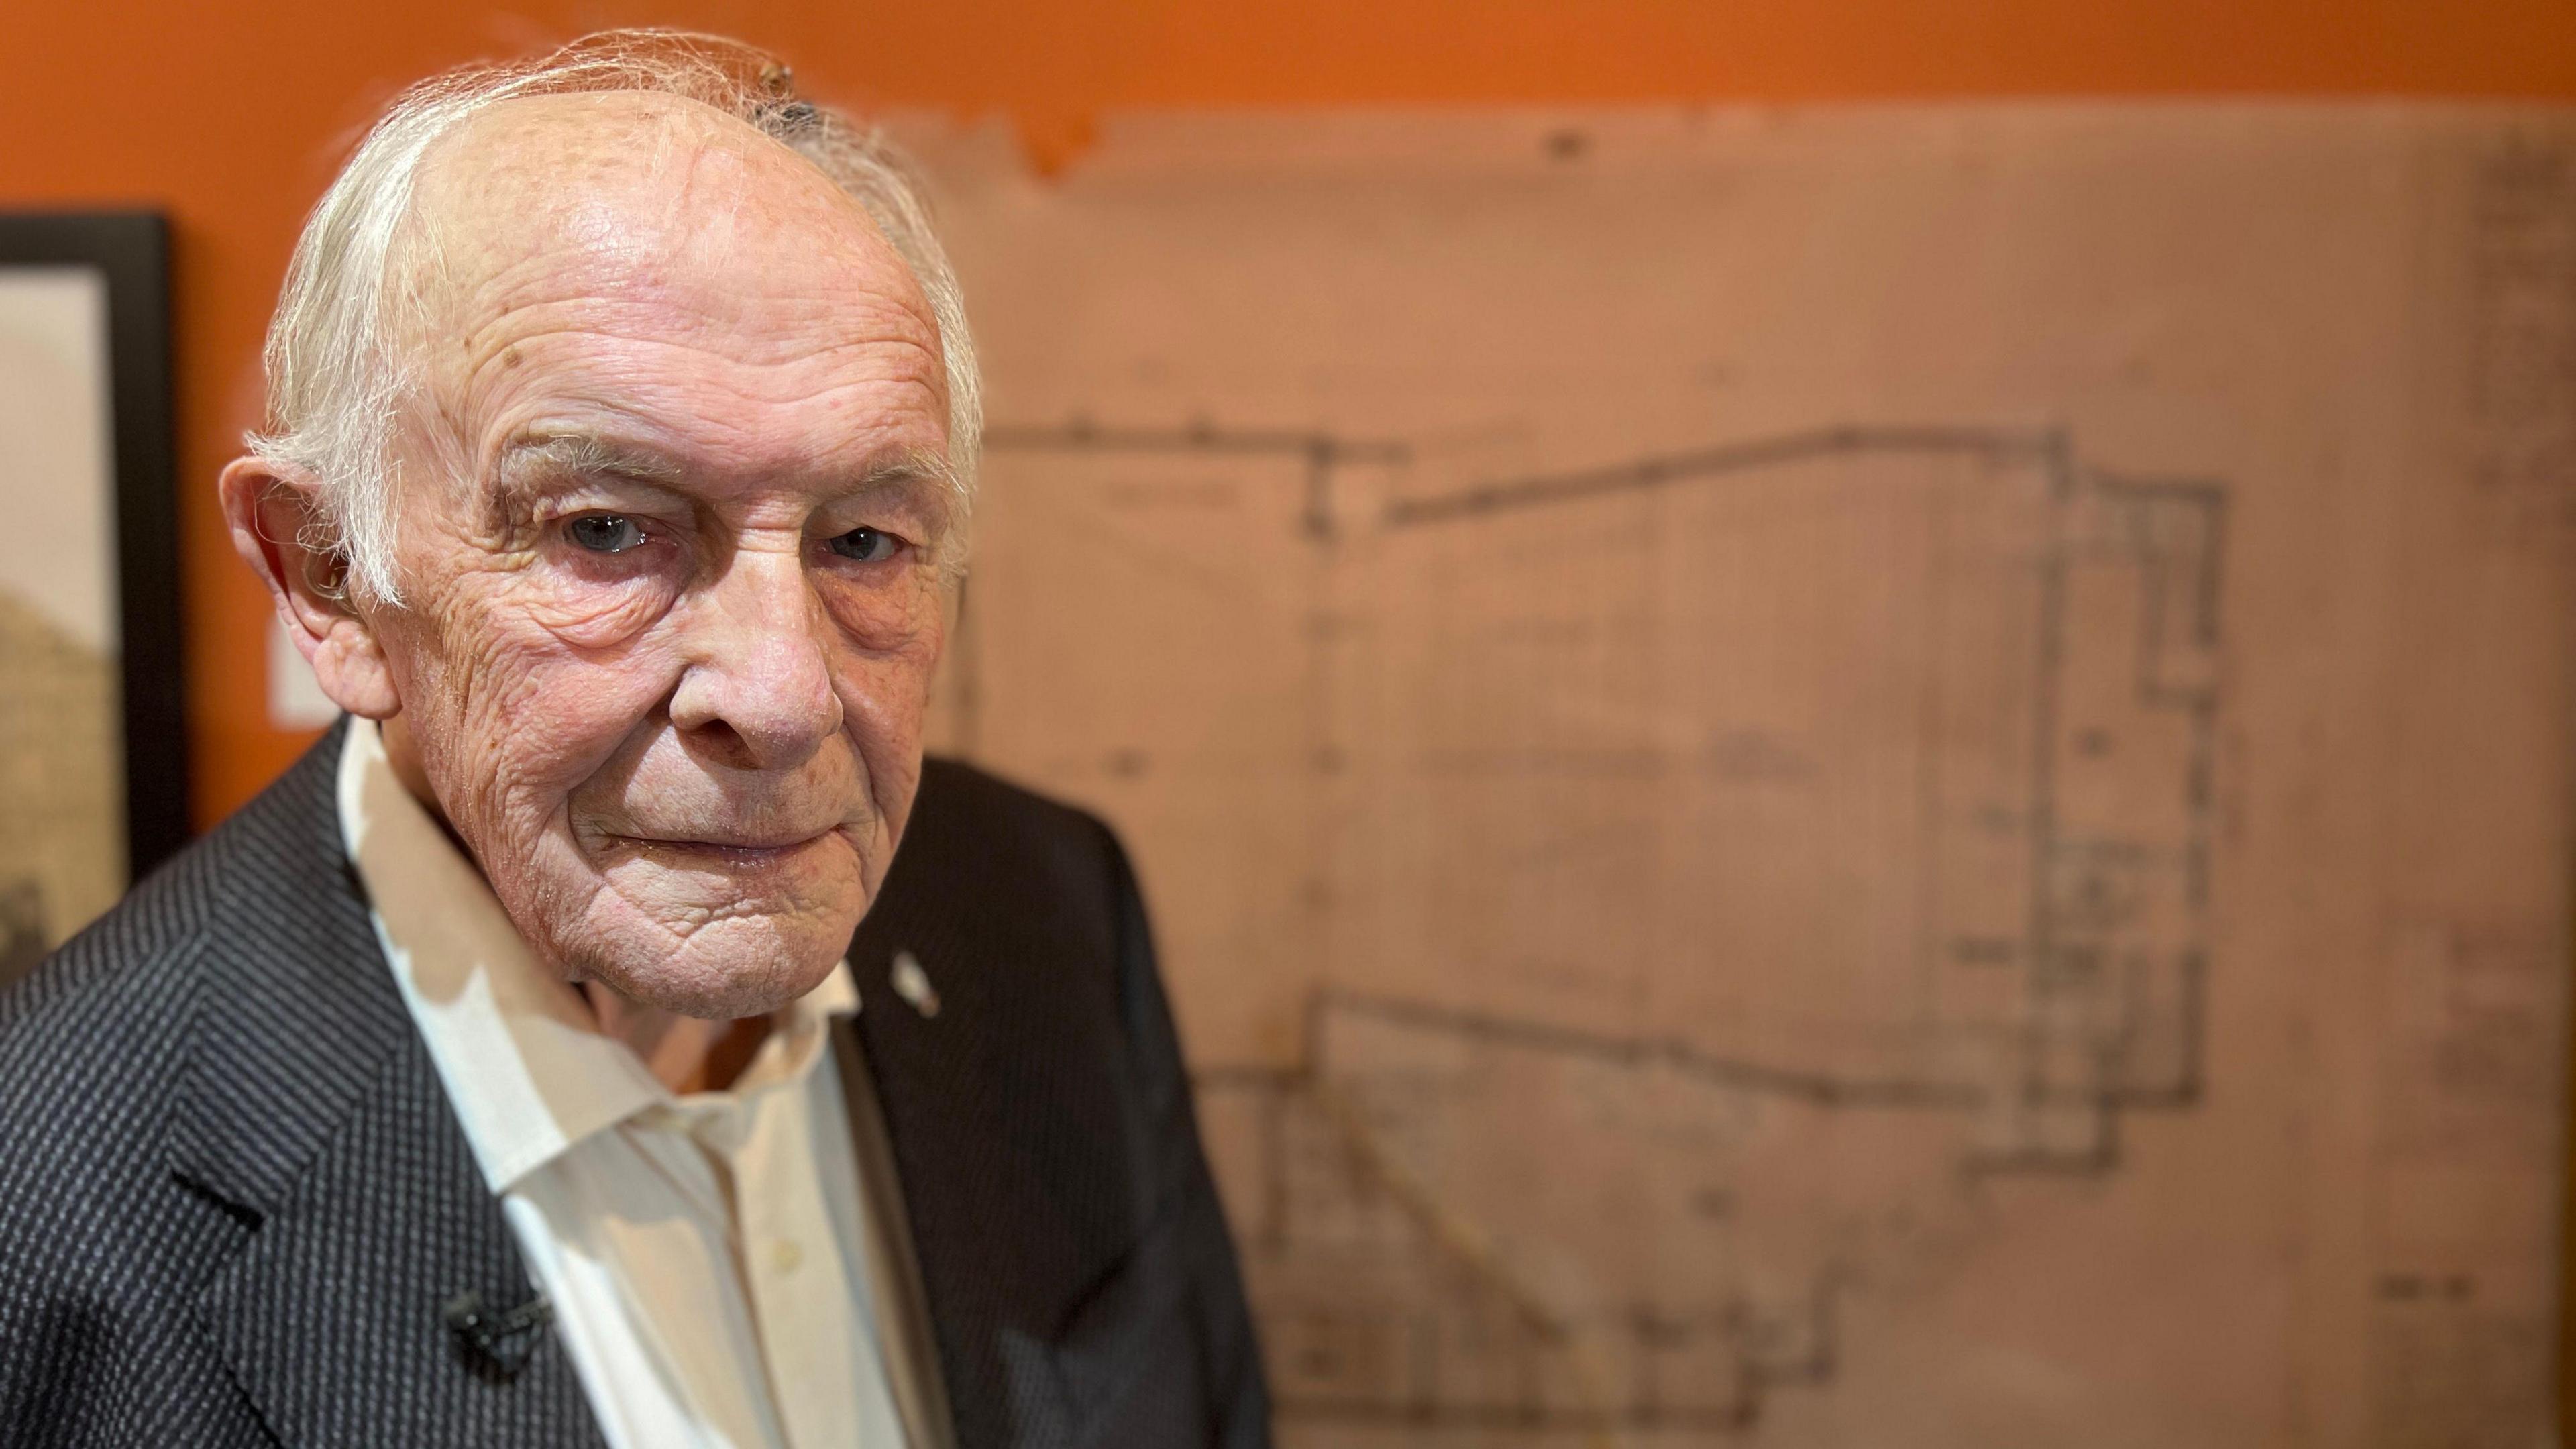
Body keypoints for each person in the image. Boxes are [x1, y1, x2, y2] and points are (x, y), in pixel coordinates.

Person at [0, 31, 1267, 1449]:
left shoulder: (1045, 915)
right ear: (331, 578)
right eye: (605, 529)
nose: (782, 696)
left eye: (863, 539)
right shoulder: (43, 1210)